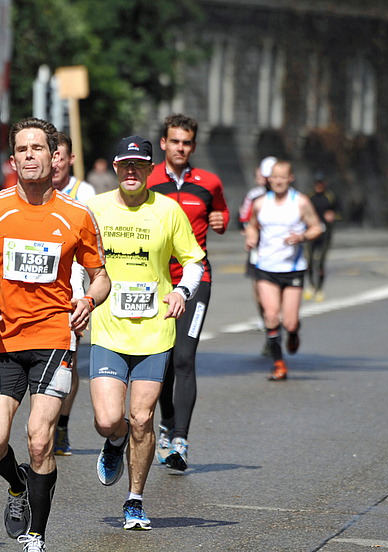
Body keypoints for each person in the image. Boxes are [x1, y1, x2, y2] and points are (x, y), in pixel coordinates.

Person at [0, 118, 110, 552]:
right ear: (13, 159)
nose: (31, 156)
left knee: (40, 439)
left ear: (54, 156)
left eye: (39, 148)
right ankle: (18, 486)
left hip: (55, 339)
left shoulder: (76, 215)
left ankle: (36, 535)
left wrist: (88, 301)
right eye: (23, 149)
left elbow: (101, 277)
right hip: (2, 340)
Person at [87, 136, 204, 530]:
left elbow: (194, 261)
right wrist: (79, 298)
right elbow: (76, 257)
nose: (132, 171)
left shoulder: (168, 211)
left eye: (139, 165)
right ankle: (115, 442)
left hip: (154, 332)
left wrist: (182, 290)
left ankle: (134, 500)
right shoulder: (96, 208)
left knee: (141, 418)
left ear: (151, 169)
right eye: (125, 165)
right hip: (107, 328)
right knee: (108, 420)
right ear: (115, 168)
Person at [146, 114, 228, 472]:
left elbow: (222, 214)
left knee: (184, 359)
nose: (181, 148)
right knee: (162, 361)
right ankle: (165, 426)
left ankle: (180, 438)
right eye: (174, 141)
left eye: (187, 142)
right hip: (156, 283)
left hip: (196, 281)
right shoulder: (147, 181)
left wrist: (221, 221)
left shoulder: (209, 183)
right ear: (163, 143)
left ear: (193, 146)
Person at [244, 160, 322, 381]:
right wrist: (251, 237)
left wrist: (302, 236)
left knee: (289, 322)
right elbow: (252, 225)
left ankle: (294, 331)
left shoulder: (301, 202)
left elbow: (316, 227)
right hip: (266, 267)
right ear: (269, 179)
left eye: (283, 177)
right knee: (270, 315)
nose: (278, 181)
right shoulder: (260, 203)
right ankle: (279, 364)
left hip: (293, 269)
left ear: (291, 178)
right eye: (274, 177)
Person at [50, 132, 96, 456]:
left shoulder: (85, 193)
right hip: (44, 282)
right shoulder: (35, 189)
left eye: (59, 156)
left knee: (69, 359)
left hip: (75, 279)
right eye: (50, 155)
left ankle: (61, 425)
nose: (54, 162)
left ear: (70, 159)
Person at [239, 157, 276, 334]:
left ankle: (276, 316)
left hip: (282, 249)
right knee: (259, 285)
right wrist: (250, 232)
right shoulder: (255, 195)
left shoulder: (292, 196)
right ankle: (265, 318)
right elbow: (243, 219)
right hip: (259, 249)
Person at [303, 171, 338, 302]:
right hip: (311, 232)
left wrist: (333, 216)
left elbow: (339, 212)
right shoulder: (309, 197)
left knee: (321, 262)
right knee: (309, 261)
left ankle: (320, 288)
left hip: (325, 233)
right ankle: (312, 285)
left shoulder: (330, 196)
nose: (318, 186)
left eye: (320, 183)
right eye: (316, 183)